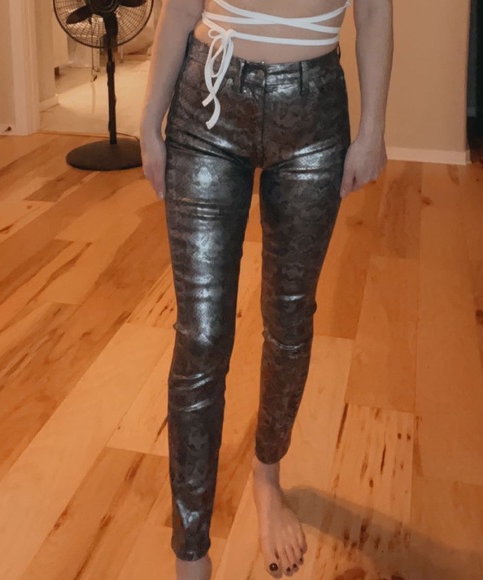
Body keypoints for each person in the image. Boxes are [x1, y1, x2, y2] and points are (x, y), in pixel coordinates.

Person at [140, 0, 392, 578]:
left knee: (290, 321)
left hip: (314, 116)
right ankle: (191, 554)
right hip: (206, 107)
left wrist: (374, 128)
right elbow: (181, 8)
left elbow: (375, 11)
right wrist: (150, 119)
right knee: (201, 338)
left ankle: (267, 474)